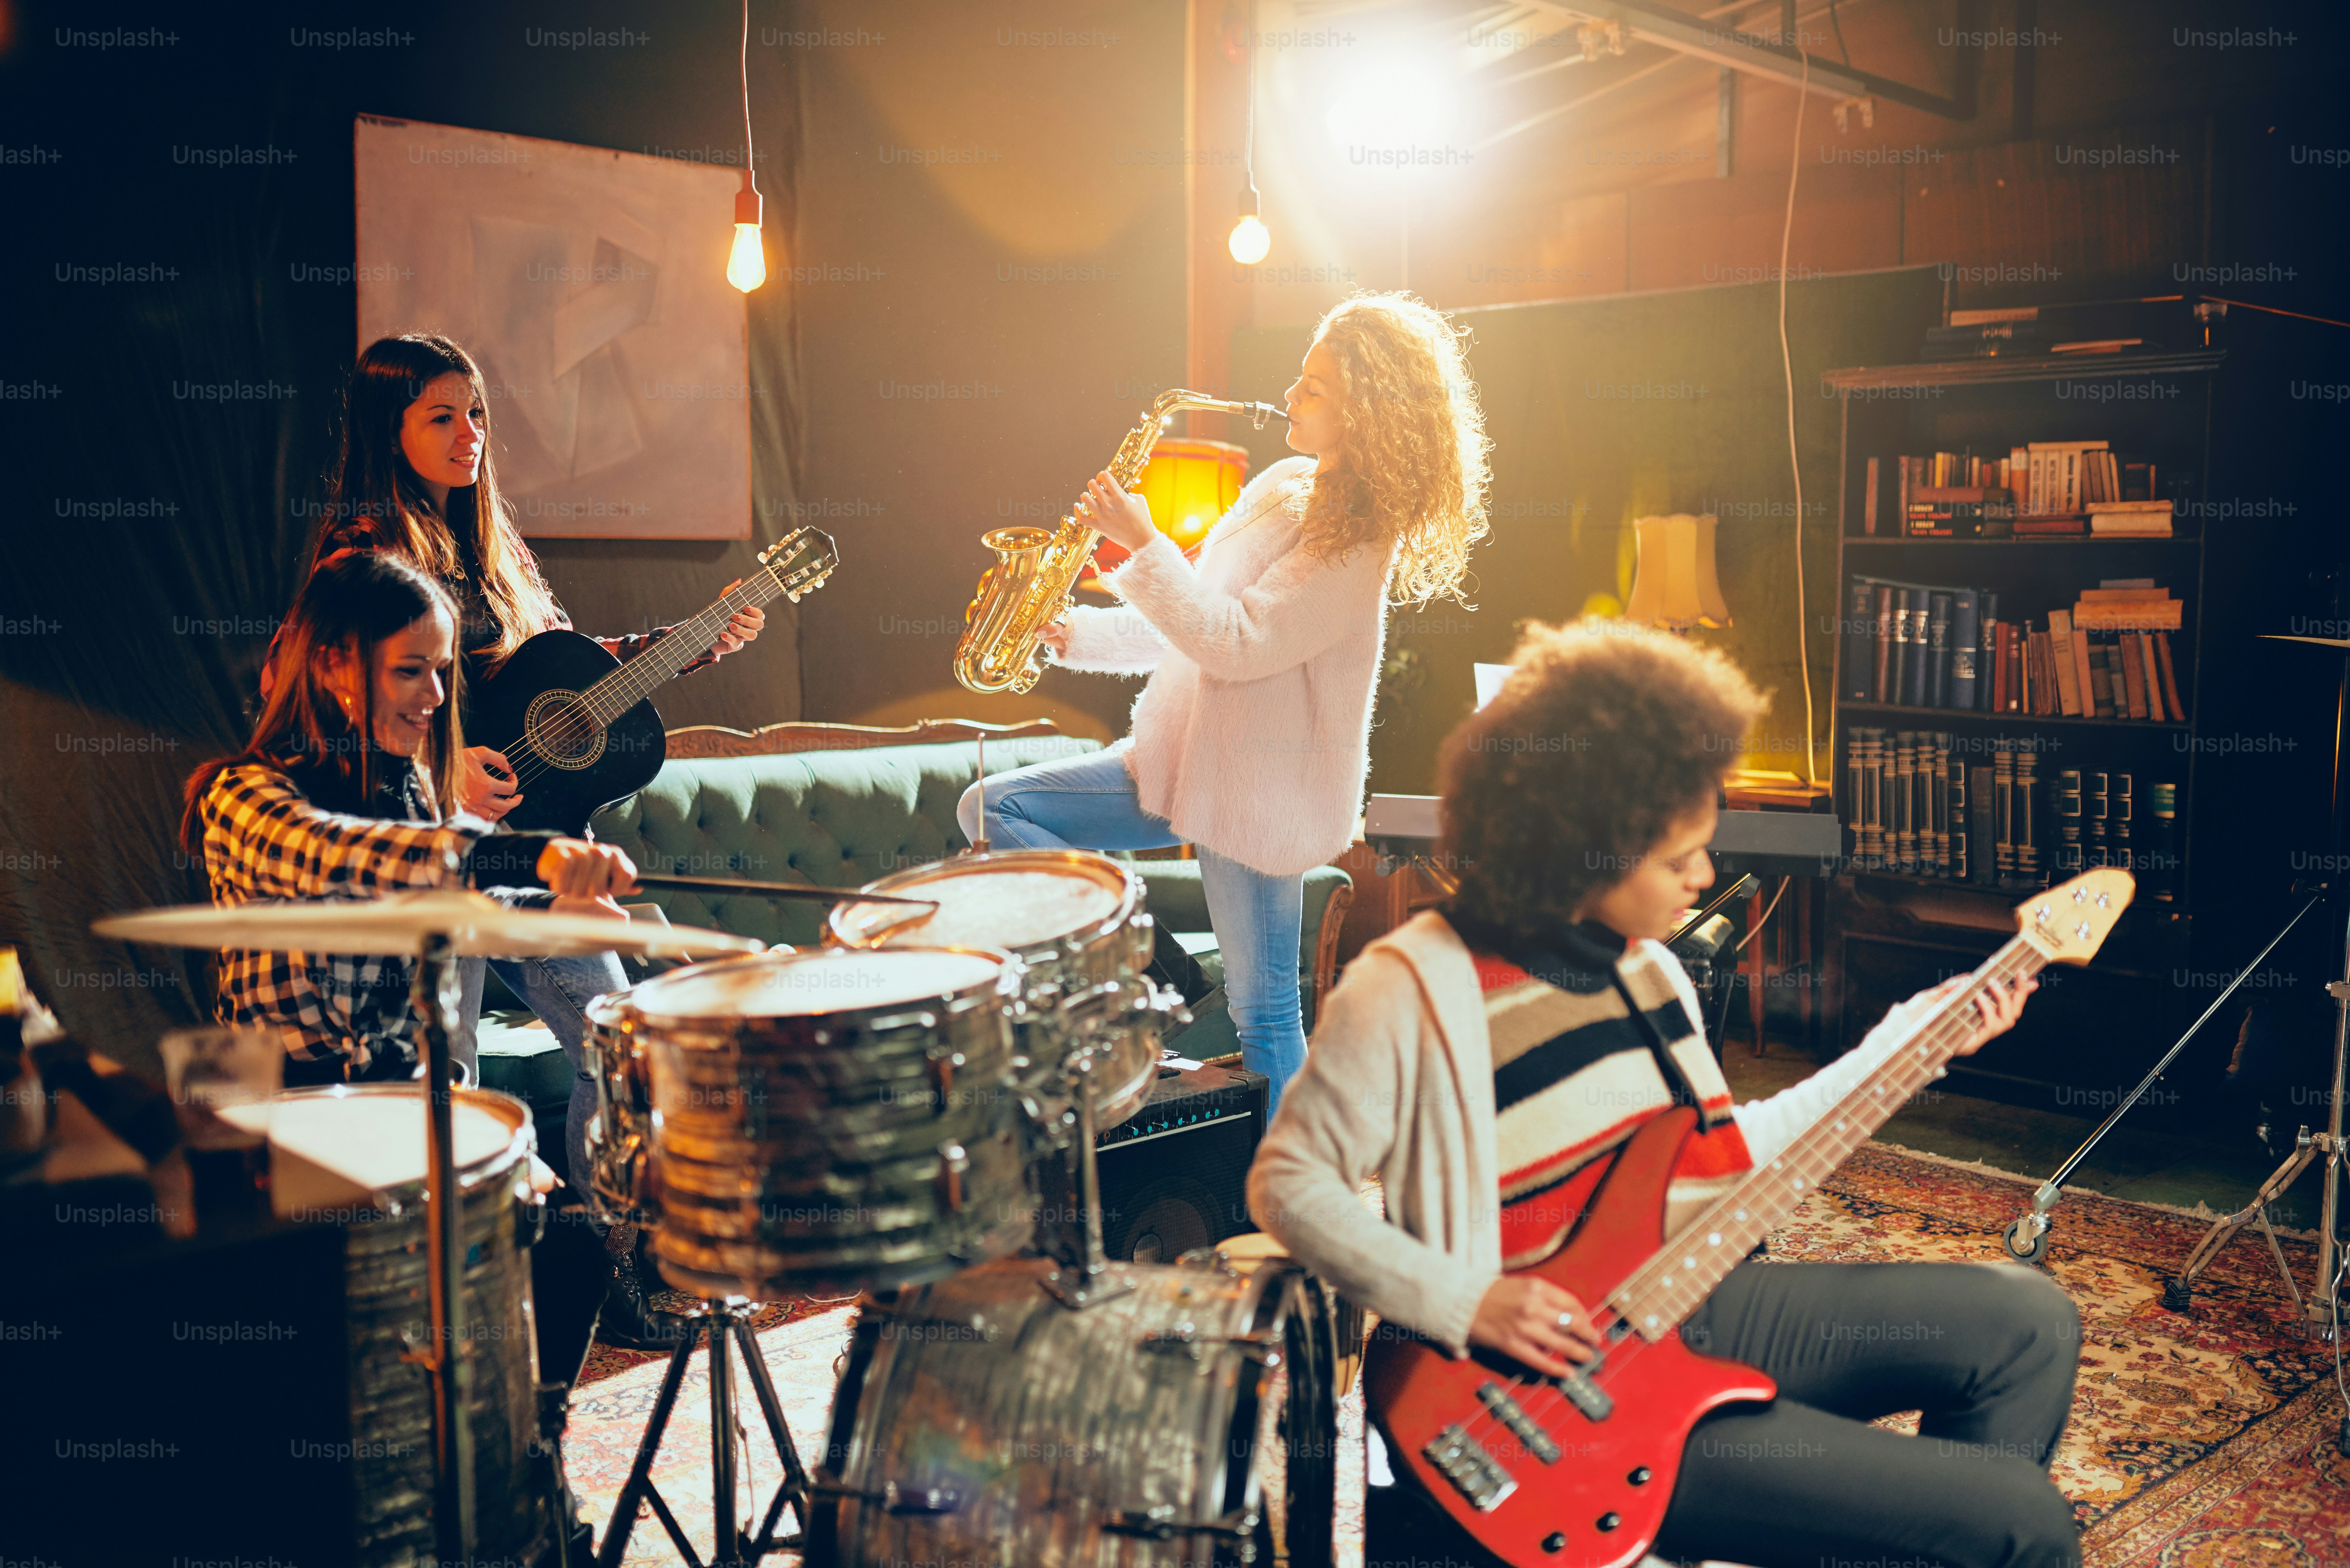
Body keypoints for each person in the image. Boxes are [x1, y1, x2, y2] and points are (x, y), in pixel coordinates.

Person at [1249, 621, 2081, 1568]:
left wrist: (1911, 1044)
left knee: (2029, 1323)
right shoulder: (1410, 988)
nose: (1707, 875)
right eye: (1680, 855)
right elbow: (1290, 1186)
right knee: (2025, 1523)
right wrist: (1465, 1299)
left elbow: (1724, 1157)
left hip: (1684, 1300)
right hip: (1543, 1387)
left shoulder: (1649, 973)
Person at [298, 332, 762, 1339]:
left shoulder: (489, 548)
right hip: (431, 854)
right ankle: (456, 1312)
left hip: (531, 856)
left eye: (476, 415)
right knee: (448, 1073)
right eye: (441, 417)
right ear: (391, 429)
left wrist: (687, 646)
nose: (469, 436)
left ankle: (620, 1276)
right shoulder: (358, 561)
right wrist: (439, 757)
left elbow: (556, 679)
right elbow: (316, 704)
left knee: (615, 1041)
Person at [958, 292, 1490, 1112]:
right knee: (990, 811)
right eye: (1299, 379)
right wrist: (1072, 634)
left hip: (1255, 794)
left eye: (1313, 388)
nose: (1288, 397)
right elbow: (1191, 613)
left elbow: (1238, 641)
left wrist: (1143, 542)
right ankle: (1140, 958)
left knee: (1267, 1016)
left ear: (1366, 414)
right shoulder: (1281, 484)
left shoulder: (1357, 545)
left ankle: (1284, 1204)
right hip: (1175, 761)